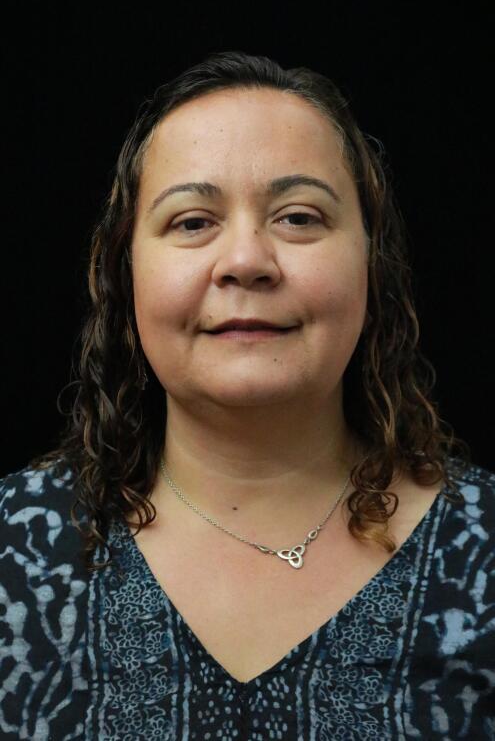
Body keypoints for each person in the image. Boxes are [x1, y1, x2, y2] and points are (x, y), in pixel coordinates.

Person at [0, 50, 493, 741]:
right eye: (192, 221)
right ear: (124, 271)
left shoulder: (482, 550)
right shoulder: (13, 549)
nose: (245, 262)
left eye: (297, 217)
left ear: (369, 262)